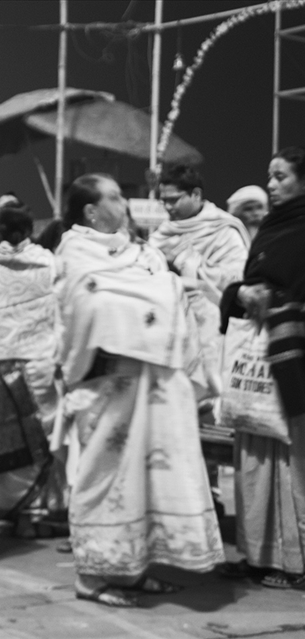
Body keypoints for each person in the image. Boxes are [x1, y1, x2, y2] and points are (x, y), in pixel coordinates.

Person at [55, 173, 225, 607]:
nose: (124, 202)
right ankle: (93, 577)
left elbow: (168, 293)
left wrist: (146, 303)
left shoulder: (142, 253)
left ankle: (134, 570)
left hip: (156, 387)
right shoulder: (76, 254)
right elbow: (86, 306)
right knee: (105, 480)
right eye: (113, 196)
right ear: (91, 210)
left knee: (148, 479)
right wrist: (148, 304)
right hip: (106, 387)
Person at [219, 146, 305, 590]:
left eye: (281, 177)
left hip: (294, 366)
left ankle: (296, 562)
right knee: (255, 463)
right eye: (269, 176)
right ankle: (257, 555)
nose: (272, 185)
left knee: (293, 466)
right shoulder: (275, 227)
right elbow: (251, 282)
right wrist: (242, 293)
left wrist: (272, 300)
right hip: (259, 367)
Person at [0, 202, 67, 540]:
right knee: (43, 439)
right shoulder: (51, 262)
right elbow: (64, 312)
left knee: (6, 440)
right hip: (40, 362)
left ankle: (14, 510)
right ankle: (44, 509)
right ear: (30, 229)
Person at [150, 164, 250, 512]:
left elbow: (238, 279)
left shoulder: (224, 230)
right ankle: (187, 498)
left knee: (211, 414)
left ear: (196, 195)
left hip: (212, 333)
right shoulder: (163, 232)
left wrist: (190, 267)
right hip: (174, 333)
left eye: (175, 200)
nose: (169, 208)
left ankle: (215, 497)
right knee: (177, 416)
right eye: (164, 201)